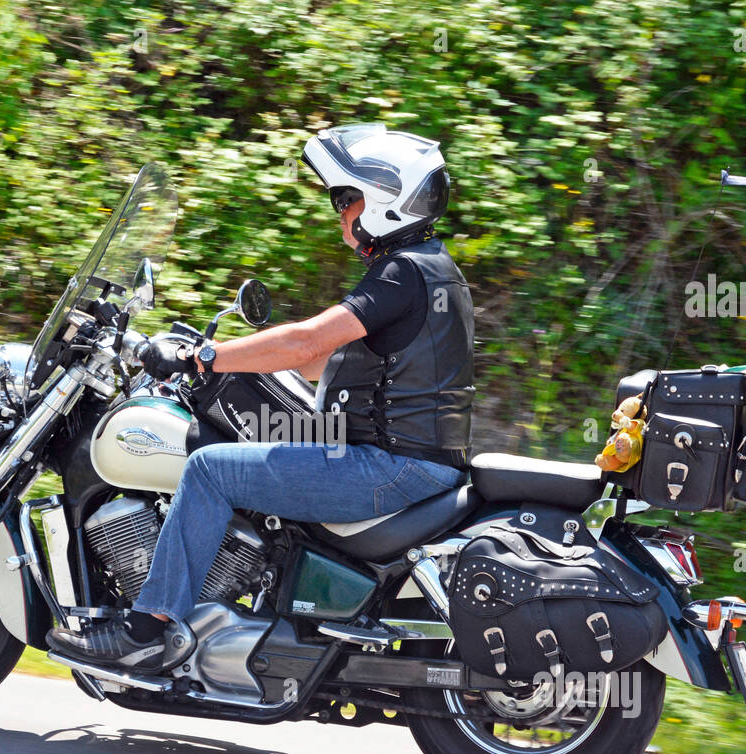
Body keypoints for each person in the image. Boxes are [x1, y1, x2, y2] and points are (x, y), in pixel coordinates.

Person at [48, 123, 476, 673]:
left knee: (208, 470)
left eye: (346, 197)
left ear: (387, 203)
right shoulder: (432, 269)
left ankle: (145, 631)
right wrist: (223, 356)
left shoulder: (402, 273)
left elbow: (306, 342)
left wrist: (203, 357)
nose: (338, 210)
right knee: (257, 438)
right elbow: (326, 359)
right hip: (402, 459)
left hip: (391, 466)